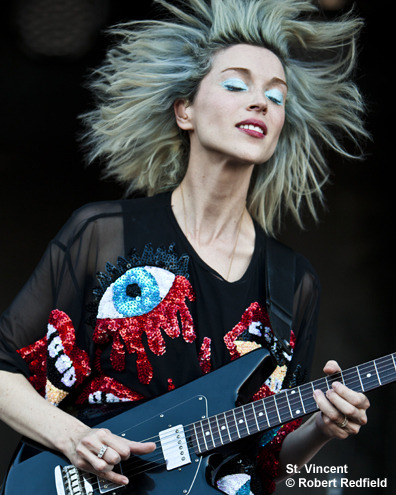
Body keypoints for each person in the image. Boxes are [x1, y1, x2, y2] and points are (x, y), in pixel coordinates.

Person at [0, 0, 371, 493]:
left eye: (277, 97)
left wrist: (321, 429)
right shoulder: (103, 234)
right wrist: (75, 439)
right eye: (237, 85)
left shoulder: (292, 282)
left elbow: (267, 459)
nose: (260, 102)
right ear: (185, 110)